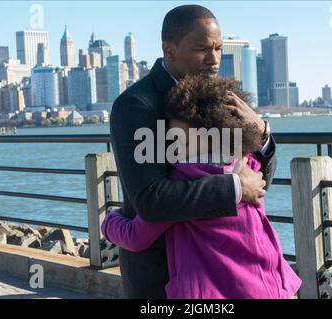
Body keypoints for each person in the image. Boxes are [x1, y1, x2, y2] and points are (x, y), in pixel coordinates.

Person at [109, 4, 277, 298]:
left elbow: (258, 186)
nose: (214, 59)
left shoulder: (225, 97)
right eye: (202, 49)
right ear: (169, 50)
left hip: (232, 272)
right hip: (163, 278)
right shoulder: (137, 104)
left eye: (218, 48)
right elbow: (150, 200)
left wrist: (262, 135)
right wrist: (236, 187)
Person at [103, 75, 302, 298]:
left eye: (182, 141)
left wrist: (109, 222)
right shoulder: (248, 165)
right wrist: (262, 133)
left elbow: (136, 237)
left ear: (213, 136)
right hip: (268, 286)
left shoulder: (183, 179)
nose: (174, 148)